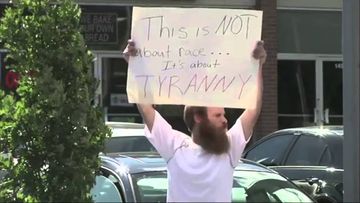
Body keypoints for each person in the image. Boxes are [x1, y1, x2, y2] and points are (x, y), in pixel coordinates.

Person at [123, 39, 266, 202]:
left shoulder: (229, 146)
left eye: (224, 114)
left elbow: (254, 108)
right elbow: (145, 108)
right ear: (198, 118)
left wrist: (258, 65)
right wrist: (133, 65)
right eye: (218, 115)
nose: (225, 120)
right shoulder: (175, 145)